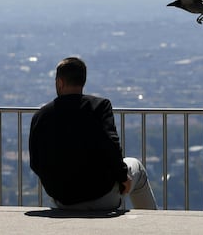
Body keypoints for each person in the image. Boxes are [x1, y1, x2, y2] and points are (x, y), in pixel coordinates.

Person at [29, 57, 157, 211]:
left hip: (62, 200)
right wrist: (123, 176)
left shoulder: (42, 116)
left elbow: (35, 162)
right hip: (102, 195)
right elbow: (111, 144)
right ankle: (152, 224)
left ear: (60, 82)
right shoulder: (99, 107)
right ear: (82, 81)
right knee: (138, 169)